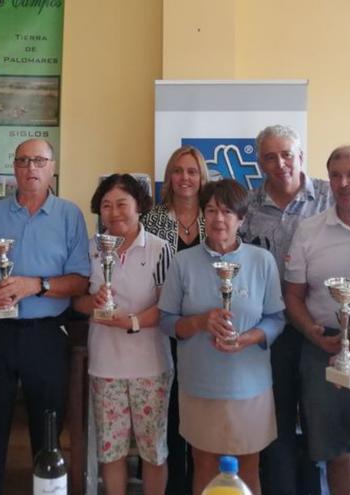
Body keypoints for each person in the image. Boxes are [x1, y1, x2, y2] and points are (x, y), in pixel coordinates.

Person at [0, 138, 90, 494]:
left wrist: (38, 285)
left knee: (47, 425)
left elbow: (80, 281)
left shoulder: (69, 215)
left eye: (39, 161)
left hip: (46, 335)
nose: (31, 168)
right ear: (14, 167)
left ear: (52, 167)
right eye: (23, 161)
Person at [159, 179, 286, 495]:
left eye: (228, 212)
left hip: (250, 386)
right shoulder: (183, 262)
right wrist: (201, 322)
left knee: (248, 468)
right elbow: (166, 322)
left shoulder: (262, 261)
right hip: (200, 384)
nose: (218, 219)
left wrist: (250, 337)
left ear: (242, 218)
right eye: (212, 210)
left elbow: (276, 319)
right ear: (203, 214)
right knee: (204, 466)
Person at [283, 145, 350, 495]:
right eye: (336, 176)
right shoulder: (309, 230)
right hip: (323, 347)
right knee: (336, 451)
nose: (343, 183)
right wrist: (312, 333)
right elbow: (293, 295)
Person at [240, 124, 333, 495]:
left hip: (319, 325)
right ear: (259, 161)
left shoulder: (329, 197)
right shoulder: (246, 205)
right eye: (269, 156)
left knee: (317, 419)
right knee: (275, 419)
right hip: (270, 329)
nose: (280, 163)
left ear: (300, 156)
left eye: (287, 154)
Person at [73, 174, 174, 495]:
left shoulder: (160, 249)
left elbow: (167, 307)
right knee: (111, 450)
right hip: (105, 366)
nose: (114, 212)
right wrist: (95, 303)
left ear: (139, 206)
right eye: (106, 205)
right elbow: (77, 300)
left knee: (153, 452)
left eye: (122, 204)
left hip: (151, 367)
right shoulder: (90, 249)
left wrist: (131, 321)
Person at [141, 145, 208, 495]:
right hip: (163, 329)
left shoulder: (213, 216)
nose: (185, 178)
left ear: (202, 178)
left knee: (199, 413)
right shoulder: (151, 218)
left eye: (192, 171)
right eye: (179, 171)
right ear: (169, 177)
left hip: (204, 334)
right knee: (169, 413)